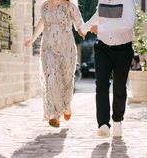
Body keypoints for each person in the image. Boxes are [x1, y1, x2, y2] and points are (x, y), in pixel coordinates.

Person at [79, 0, 136, 137]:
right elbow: (99, 14)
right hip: (103, 48)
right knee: (101, 85)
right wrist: (85, 27)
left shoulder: (127, 1)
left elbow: (128, 23)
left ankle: (117, 120)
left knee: (119, 87)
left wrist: (101, 28)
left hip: (123, 50)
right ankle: (103, 124)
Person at [25, 0, 85, 128]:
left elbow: (79, 23)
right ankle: (54, 115)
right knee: (51, 76)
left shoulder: (70, 6)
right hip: (48, 47)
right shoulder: (45, 6)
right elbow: (42, 23)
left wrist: (82, 30)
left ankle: (66, 106)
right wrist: (32, 39)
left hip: (66, 48)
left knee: (66, 80)